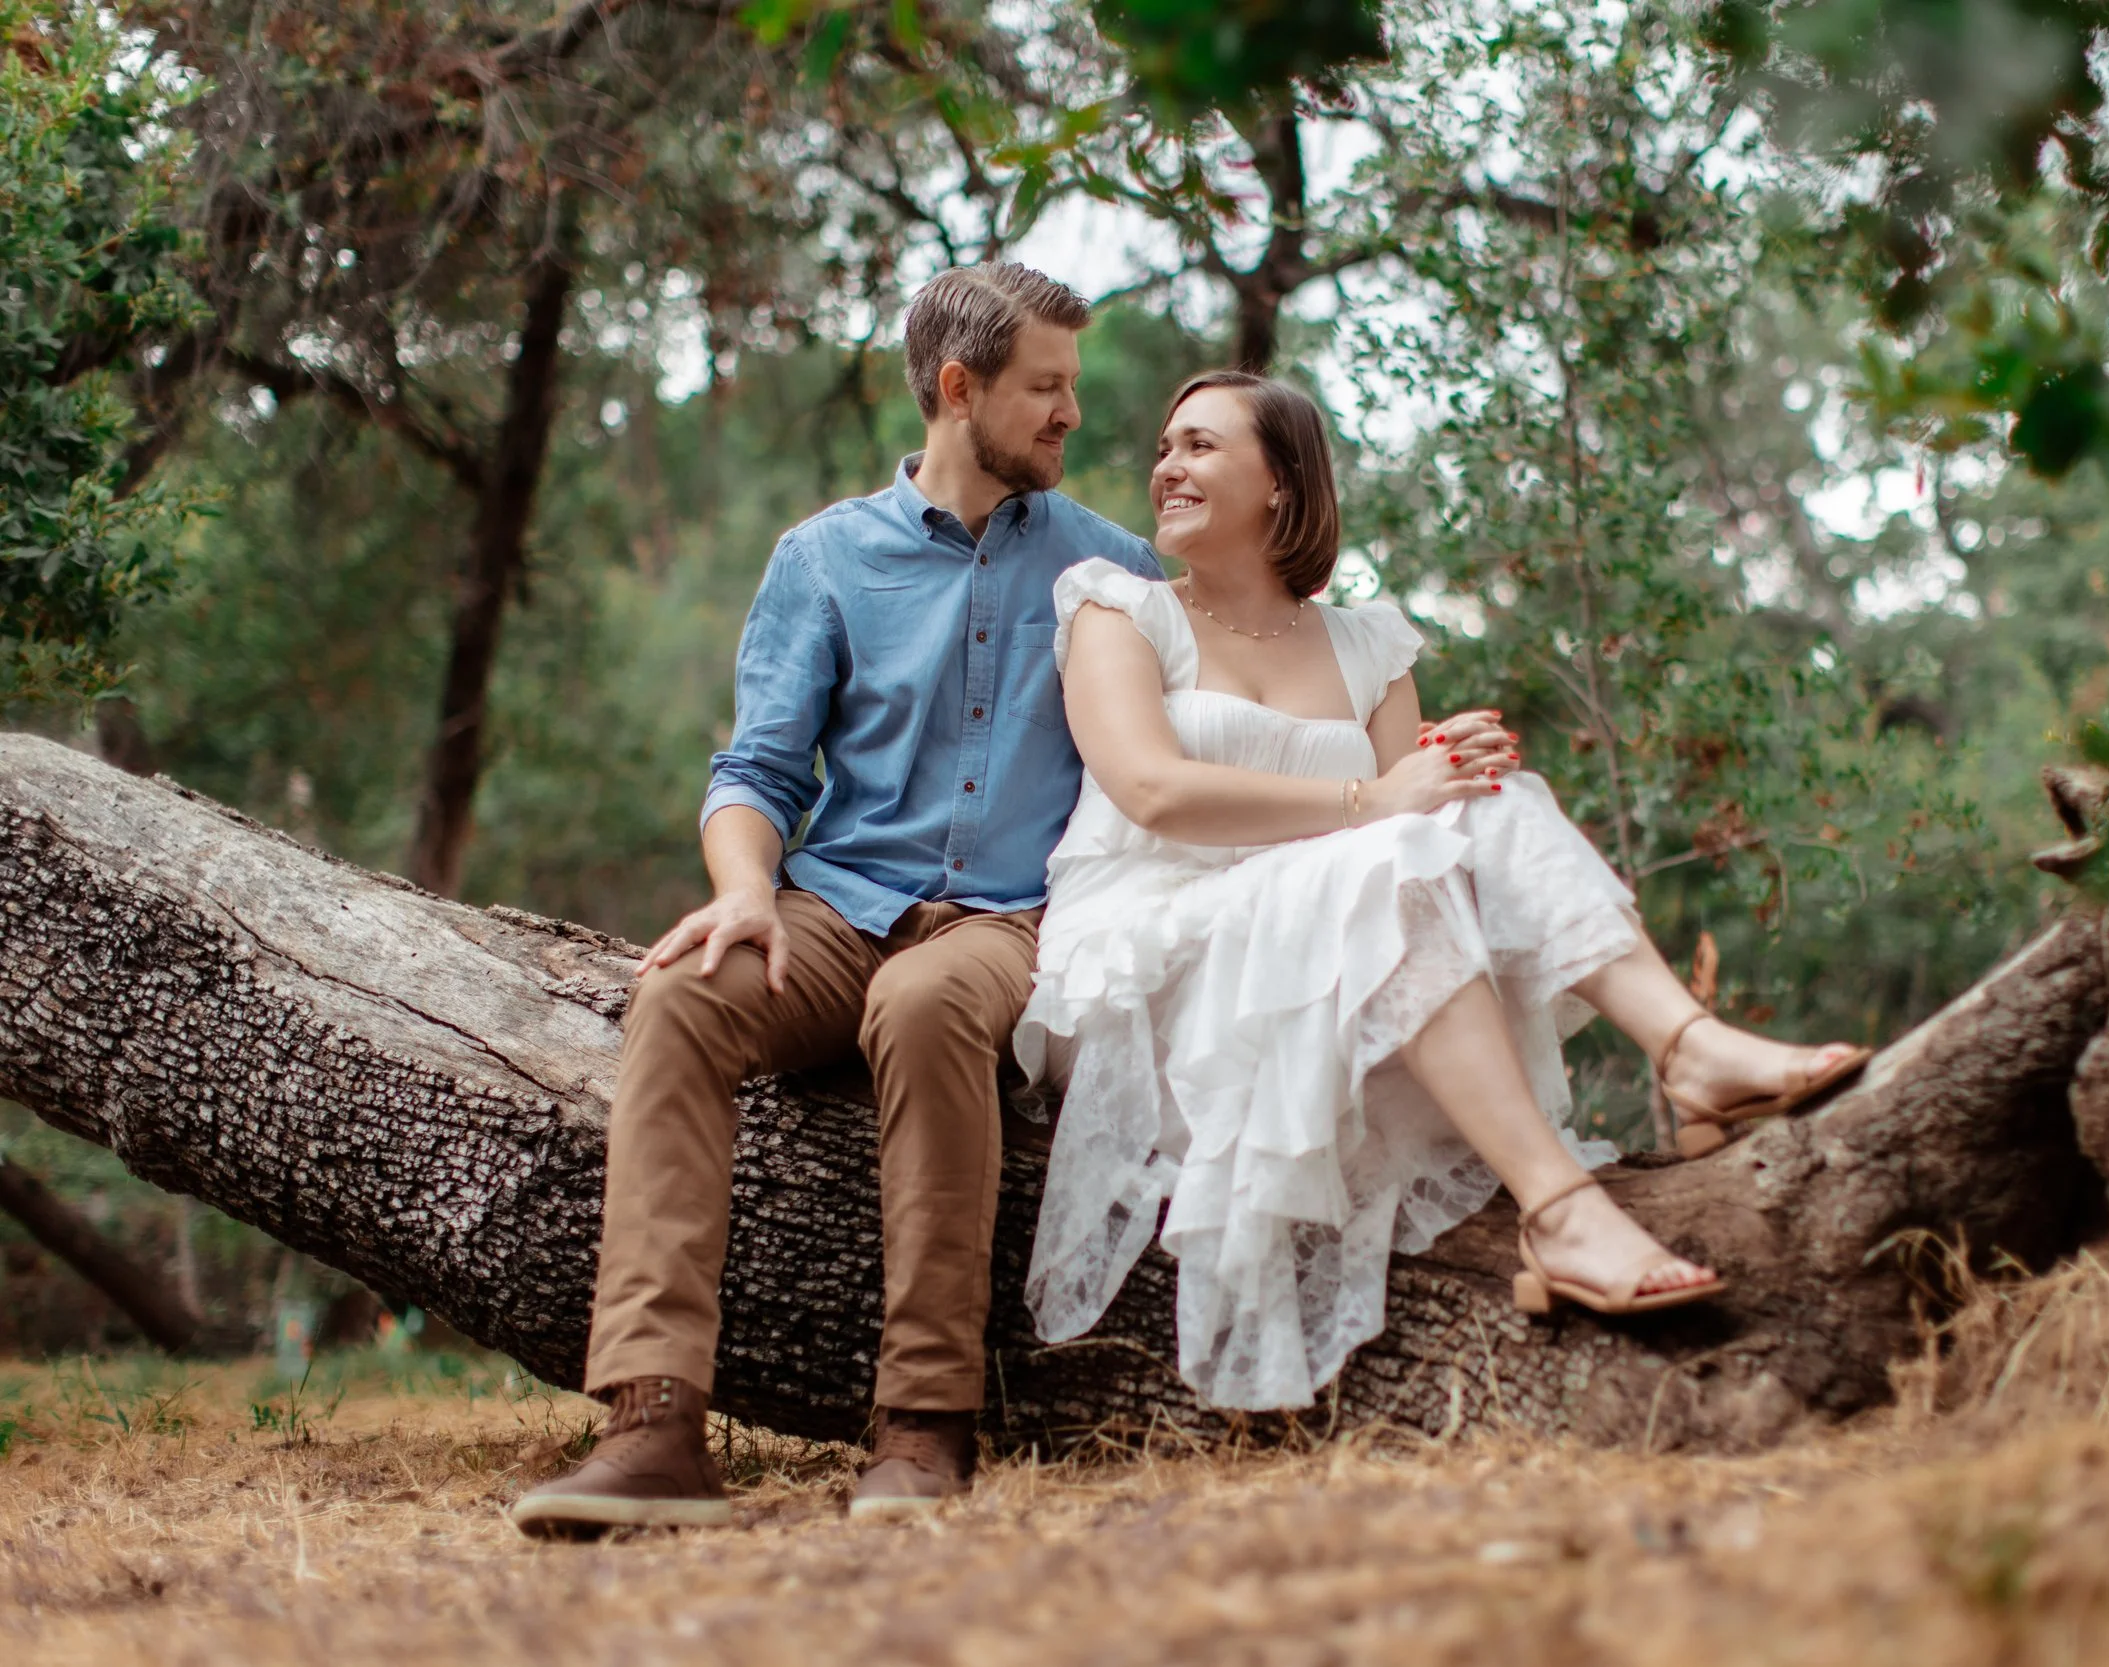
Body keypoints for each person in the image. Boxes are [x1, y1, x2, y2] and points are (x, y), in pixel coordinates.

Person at [1016, 371, 1870, 1411]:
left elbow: (1412, 827)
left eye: (1198, 446)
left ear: (1280, 480)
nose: (1166, 467)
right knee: (1383, 850)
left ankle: (1688, 1050)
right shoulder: (1121, 609)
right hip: (1162, 959)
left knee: (1498, 799)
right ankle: (1554, 1203)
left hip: (1335, 948)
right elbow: (1154, 790)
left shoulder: (1367, 641)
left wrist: (1445, 774)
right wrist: (1375, 792)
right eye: (1165, 445)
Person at [511, 263, 1164, 1537]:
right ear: (959, 389)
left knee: (924, 1007)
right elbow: (753, 771)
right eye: (1046, 387)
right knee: (682, 997)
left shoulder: (1111, 571)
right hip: (833, 904)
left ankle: (924, 1424)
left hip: (1006, 924)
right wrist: (747, 892)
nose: (1070, 415)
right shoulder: (823, 558)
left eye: (1073, 388)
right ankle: (652, 1424)